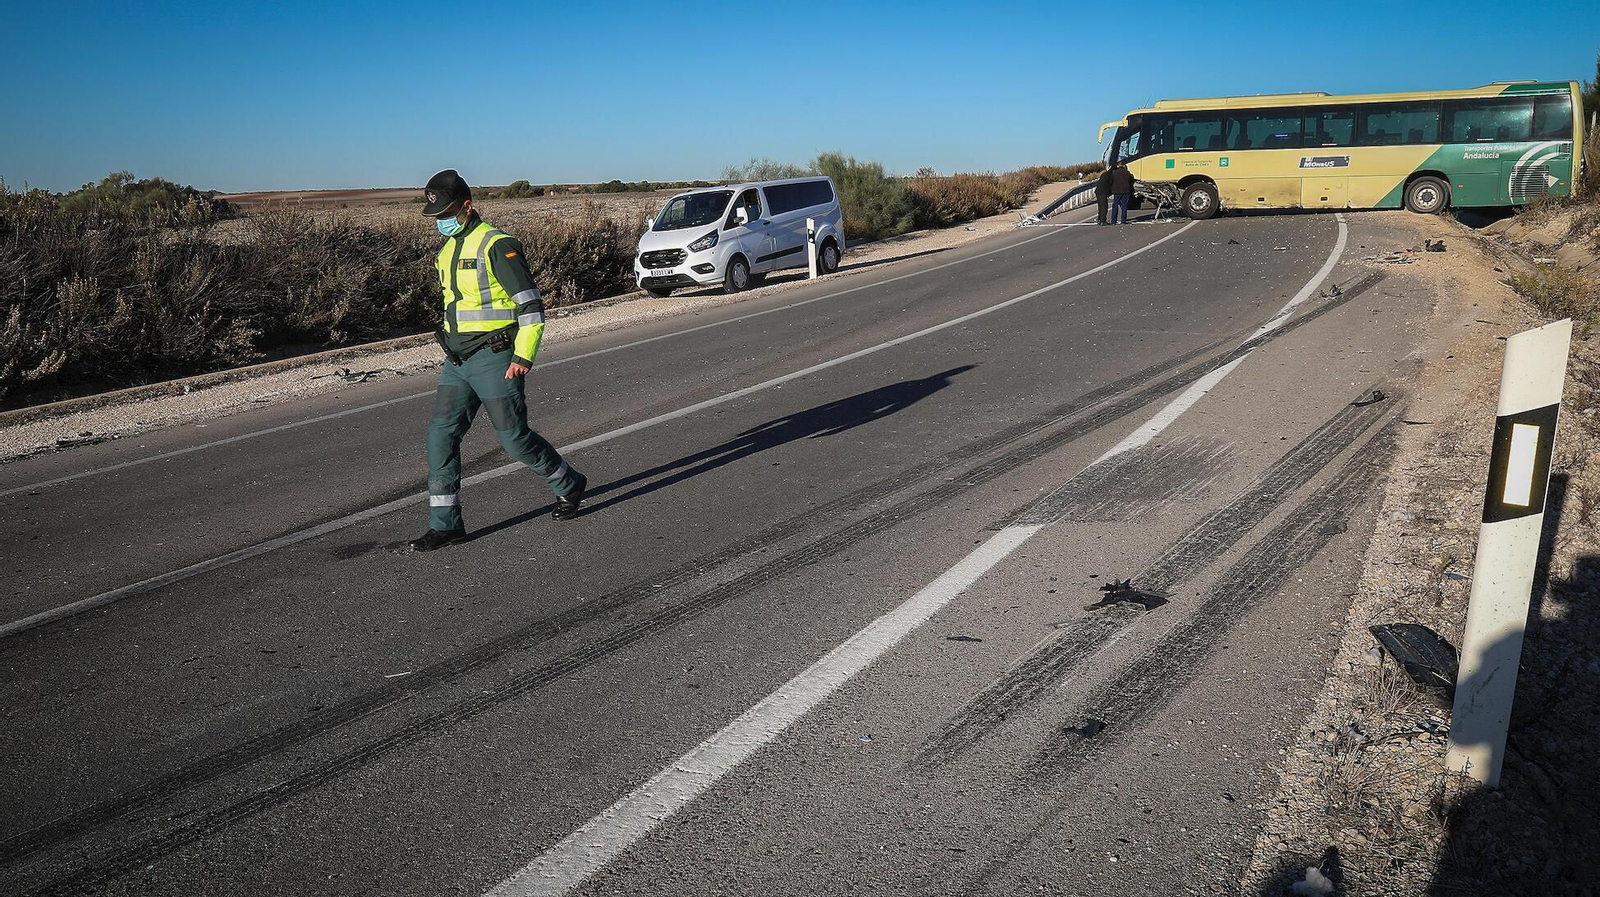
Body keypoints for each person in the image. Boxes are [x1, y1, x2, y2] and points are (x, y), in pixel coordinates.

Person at [409, 169, 587, 552]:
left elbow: (531, 308)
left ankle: (568, 483)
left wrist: (524, 355)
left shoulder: (497, 244)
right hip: (458, 360)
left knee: (514, 439)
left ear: (467, 206)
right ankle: (446, 526)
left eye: (447, 213)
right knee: (440, 438)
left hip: (495, 356)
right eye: (436, 216)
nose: (441, 221)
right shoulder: (446, 250)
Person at [1108, 160, 1136, 225]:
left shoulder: (1114, 173)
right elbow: (1132, 180)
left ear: (1118, 166)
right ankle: (1123, 220)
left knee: (1115, 205)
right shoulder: (1127, 173)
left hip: (1117, 191)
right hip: (1126, 191)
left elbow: (1111, 181)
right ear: (1123, 165)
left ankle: (1113, 220)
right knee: (1124, 206)